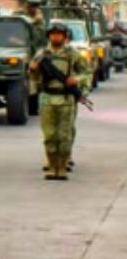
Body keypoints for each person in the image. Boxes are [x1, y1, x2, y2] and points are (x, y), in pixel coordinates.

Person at [29, 21, 90, 180]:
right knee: (49, 135)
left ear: (65, 37)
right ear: (49, 35)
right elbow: (33, 75)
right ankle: (51, 166)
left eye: (59, 34)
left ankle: (62, 167)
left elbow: (87, 72)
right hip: (47, 97)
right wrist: (33, 70)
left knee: (64, 135)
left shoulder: (72, 54)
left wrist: (75, 80)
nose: (56, 37)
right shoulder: (42, 54)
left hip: (65, 98)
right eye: (53, 34)